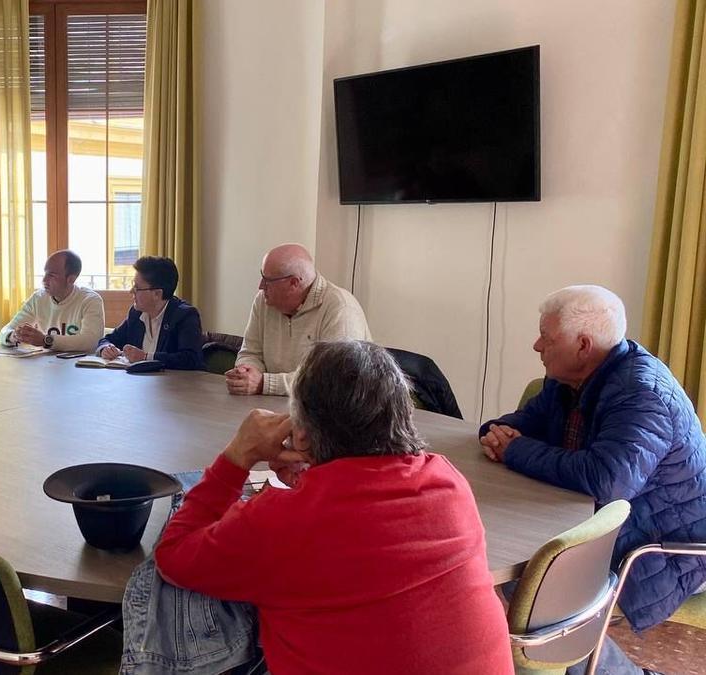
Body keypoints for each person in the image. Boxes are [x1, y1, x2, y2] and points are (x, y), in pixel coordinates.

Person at [154, 341, 513, 674]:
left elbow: (173, 556)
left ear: (303, 433)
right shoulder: (447, 482)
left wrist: (237, 456)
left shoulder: (280, 522)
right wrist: (311, 480)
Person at [481, 285, 706, 675]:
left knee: (540, 594)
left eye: (546, 338)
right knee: (527, 580)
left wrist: (514, 450)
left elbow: (607, 481)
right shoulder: (570, 378)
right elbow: (526, 423)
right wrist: (496, 430)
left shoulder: (642, 393)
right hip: (615, 517)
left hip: (661, 539)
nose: (536, 345)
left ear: (583, 346)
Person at [227, 243, 370, 396]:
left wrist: (264, 383)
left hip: (335, 413)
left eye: (267, 280)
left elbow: (333, 380)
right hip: (274, 405)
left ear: (294, 283)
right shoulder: (264, 301)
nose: (261, 286)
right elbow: (250, 353)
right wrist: (246, 373)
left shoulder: (341, 308)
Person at [95, 256, 204, 370]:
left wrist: (145, 357)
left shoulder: (185, 316)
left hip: (176, 385)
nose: (131, 291)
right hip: (140, 383)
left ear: (157, 294)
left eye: (137, 288)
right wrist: (106, 348)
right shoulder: (137, 314)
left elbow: (191, 359)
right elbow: (109, 339)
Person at [0, 249, 104, 352]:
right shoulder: (38, 298)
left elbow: (91, 341)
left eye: (52, 275)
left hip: (78, 366)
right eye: (45, 274)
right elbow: (4, 331)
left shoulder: (90, 300)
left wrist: (45, 341)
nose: (44, 280)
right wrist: (14, 335)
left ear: (71, 279)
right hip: (45, 365)